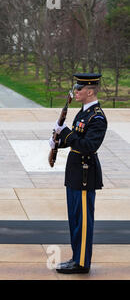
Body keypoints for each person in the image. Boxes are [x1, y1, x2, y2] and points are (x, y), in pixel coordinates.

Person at [49, 73, 107, 274]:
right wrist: (58, 140)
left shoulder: (97, 117)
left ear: (90, 91)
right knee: (74, 219)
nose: (76, 91)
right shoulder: (83, 113)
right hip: (74, 173)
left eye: (79, 89)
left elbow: (88, 146)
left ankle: (82, 263)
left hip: (85, 174)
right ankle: (76, 257)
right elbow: (75, 139)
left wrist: (66, 133)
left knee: (82, 222)